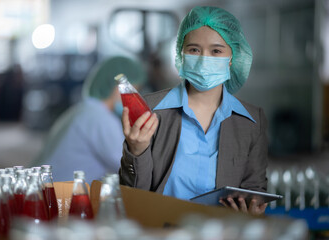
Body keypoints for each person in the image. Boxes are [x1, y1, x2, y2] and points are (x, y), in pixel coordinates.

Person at [119, 6, 268, 215]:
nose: (203, 59)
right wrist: (136, 151)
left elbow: (255, 189)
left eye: (216, 51)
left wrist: (252, 209)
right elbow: (133, 194)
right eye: (194, 50)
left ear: (232, 57)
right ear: (181, 52)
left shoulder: (251, 121)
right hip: (161, 228)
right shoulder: (150, 110)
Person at [35, 56, 147, 183]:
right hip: (56, 196)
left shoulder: (83, 110)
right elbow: (132, 168)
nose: (136, 100)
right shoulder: (101, 119)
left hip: (41, 187)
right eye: (134, 91)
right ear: (119, 88)